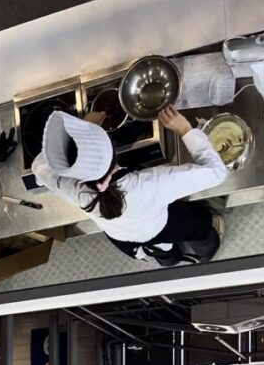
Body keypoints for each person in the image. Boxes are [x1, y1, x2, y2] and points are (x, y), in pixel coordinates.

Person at [31, 105, 227, 265]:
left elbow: (38, 167)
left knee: (161, 251)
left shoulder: (75, 190)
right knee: (199, 223)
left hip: (121, 237)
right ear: (113, 147)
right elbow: (217, 172)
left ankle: (168, 259)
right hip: (158, 226)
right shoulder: (148, 185)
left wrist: (82, 130)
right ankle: (206, 252)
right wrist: (185, 129)